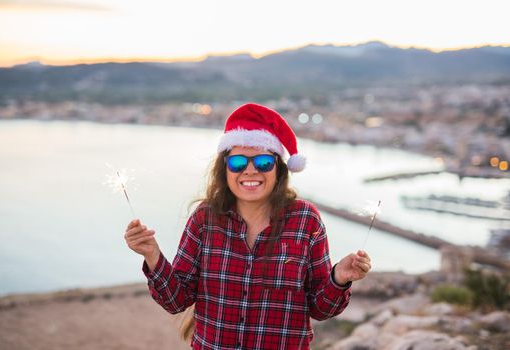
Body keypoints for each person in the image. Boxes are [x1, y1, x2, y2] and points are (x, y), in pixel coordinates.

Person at [124, 103, 371, 349]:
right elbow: (176, 302)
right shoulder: (204, 220)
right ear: (225, 168)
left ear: (279, 169)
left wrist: (339, 278)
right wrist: (152, 256)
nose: (250, 171)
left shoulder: (306, 220)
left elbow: (320, 309)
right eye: (238, 163)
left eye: (263, 162)